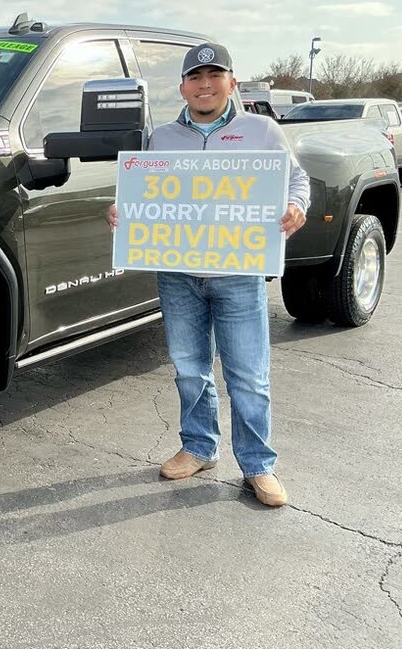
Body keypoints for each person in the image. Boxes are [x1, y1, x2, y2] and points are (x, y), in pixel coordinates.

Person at [108, 42, 309, 507]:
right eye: (195, 78)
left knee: (248, 375)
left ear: (232, 83)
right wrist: (124, 213)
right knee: (189, 369)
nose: (204, 85)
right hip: (178, 275)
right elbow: (144, 194)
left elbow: (295, 180)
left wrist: (298, 206)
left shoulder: (260, 130)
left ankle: (258, 466)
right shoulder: (160, 139)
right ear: (182, 87)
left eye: (214, 76)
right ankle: (199, 447)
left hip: (237, 272)